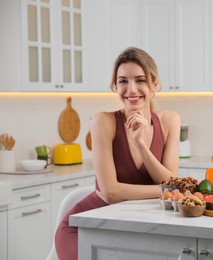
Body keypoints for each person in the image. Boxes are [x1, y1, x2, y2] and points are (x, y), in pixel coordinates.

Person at [55, 47, 181, 259]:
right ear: (115, 86)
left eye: (140, 80)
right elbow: (111, 192)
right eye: (123, 81)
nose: (131, 89)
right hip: (83, 228)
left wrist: (140, 143)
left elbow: (170, 181)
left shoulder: (169, 121)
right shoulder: (103, 121)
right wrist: (165, 191)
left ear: (155, 84)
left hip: (131, 226)